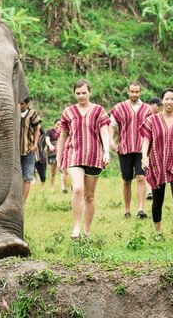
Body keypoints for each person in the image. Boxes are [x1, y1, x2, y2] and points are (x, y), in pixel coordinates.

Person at [57, 79, 111, 238]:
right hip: (74, 154)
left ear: (90, 92)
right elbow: (62, 137)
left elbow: (104, 132)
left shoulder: (99, 111)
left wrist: (106, 151)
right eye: (78, 93)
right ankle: (76, 228)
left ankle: (87, 231)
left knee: (89, 196)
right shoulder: (68, 112)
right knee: (78, 189)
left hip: (94, 156)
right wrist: (60, 158)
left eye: (84, 93)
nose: (81, 96)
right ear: (74, 94)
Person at [141, 88, 173, 241]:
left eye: (172, 99)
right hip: (157, 164)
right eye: (167, 98)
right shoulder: (152, 120)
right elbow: (146, 140)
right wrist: (144, 157)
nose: (169, 102)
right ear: (162, 100)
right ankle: (157, 232)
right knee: (158, 199)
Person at [109, 81, 153, 219]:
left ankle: (141, 209)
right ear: (128, 91)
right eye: (132, 91)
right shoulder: (119, 108)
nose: (134, 94)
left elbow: (152, 128)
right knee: (127, 180)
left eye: (137, 92)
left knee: (141, 177)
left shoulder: (147, 109)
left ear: (141, 92)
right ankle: (127, 210)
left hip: (141, 149)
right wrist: (111, 141)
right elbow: (112, 125)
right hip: (125, 148)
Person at [20, 97, 42, 203]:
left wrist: (35, 144)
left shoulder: (32, 113)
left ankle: (22, 202)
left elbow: (38, 128)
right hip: (14, 151)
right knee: (15, 177)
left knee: (27, 176)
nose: (20, 106)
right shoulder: (13, 112)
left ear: (27, 104)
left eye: (22, 104)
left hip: (28, 150)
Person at [144, 97, 162, 200]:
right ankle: (149, 190)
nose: (159, 107)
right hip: (146, 145)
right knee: (146, 168)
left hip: (157, 146)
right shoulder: (145, 115)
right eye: (157, 105)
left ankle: (155, 186)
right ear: (152, 105)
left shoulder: (160, 117)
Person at [45, 118, 61, 188]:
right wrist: (50, 146)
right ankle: (52, 186)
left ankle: (64, 186)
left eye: (60, 125)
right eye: (57, 124)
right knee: (53, 171)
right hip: (52, 153)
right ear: (54, 124)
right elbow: (47, 140)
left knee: (63, 169)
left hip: (61, 153)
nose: (59, 126)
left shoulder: (63, 131)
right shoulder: (49, 131)